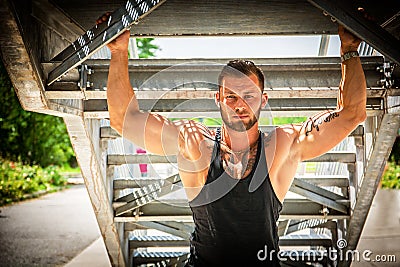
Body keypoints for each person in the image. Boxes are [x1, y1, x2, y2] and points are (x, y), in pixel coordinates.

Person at [99, 14, 366, 266]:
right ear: (218, 100)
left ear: (263, 101)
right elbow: (124, 119)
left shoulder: (282, 145)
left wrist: (350, 51)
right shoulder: (196, 144)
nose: (240, 105)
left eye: (249, 96)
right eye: (231, 97)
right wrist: (119, 51)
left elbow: (351, 114)